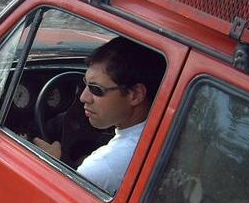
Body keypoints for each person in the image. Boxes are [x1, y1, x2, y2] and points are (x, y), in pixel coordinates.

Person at [33, 37, 164, 194]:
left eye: (96, 89)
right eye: (85, 84)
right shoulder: (168, 129)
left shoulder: (102, 168)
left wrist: (54, 165)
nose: (83, 97)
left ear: (135, 95)